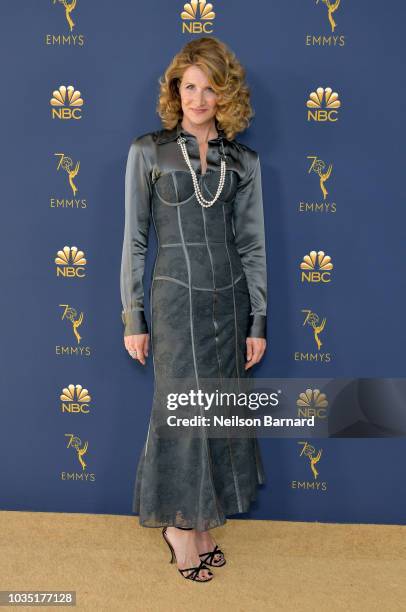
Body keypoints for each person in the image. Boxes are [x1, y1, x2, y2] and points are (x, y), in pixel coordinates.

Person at [120, 36, 268, 583]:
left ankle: (201, 519)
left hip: (229, 302)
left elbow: (252, 245)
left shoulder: (244, 161)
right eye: (189, 87)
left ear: (225, 94)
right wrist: (133, 316)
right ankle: (178, 527)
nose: (198, 99)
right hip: (174, 297)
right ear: (175, 91)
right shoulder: (148, 152)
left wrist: (258, 319)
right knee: (181, 410)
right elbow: (135, 242)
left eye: (209, 88)